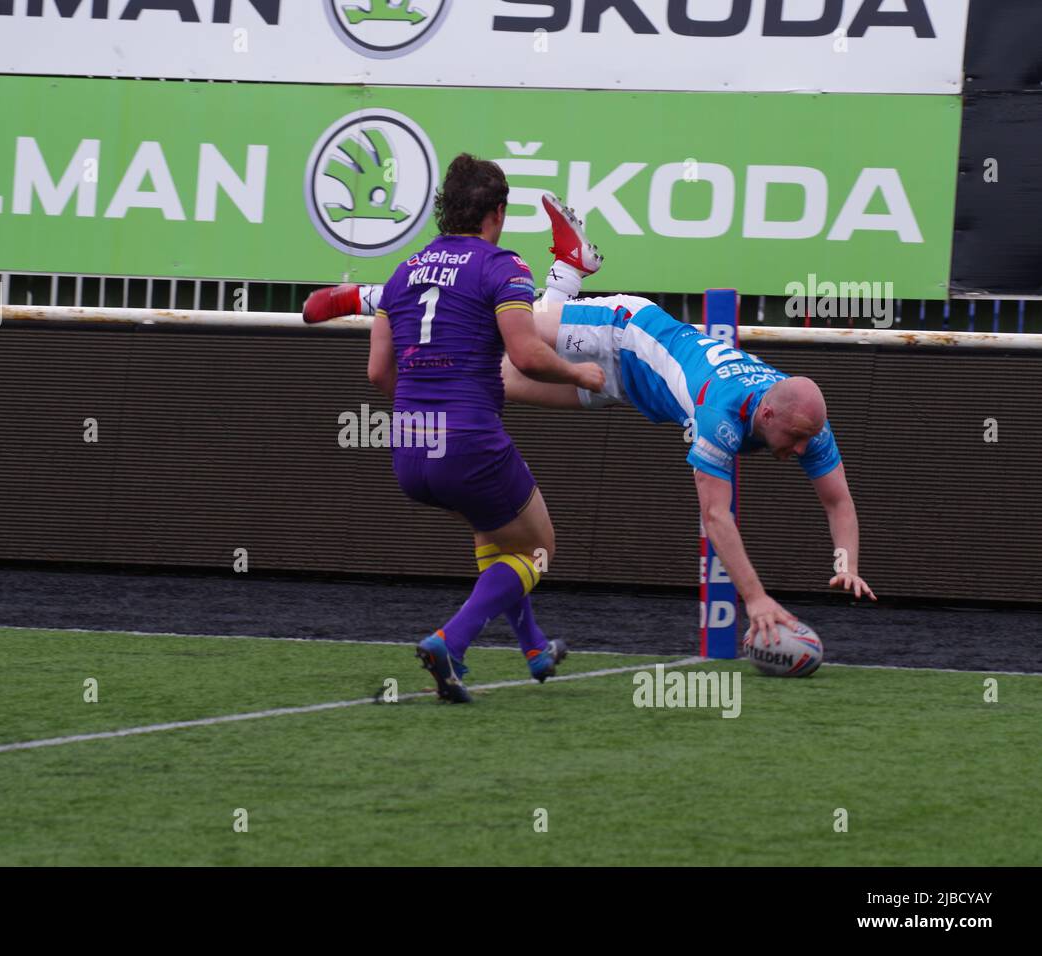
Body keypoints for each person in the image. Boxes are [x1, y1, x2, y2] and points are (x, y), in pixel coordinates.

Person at [313, 193, 876, 646]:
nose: (798, 451)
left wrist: (845, 562)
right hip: (622, 329)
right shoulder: (721, 412)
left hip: (627, 386)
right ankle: (369, 295)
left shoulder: (808, 421)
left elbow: (839, 501)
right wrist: (756, 598)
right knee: (503, 325)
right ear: (768, 412)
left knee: (494, 379)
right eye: (793, 440)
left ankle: (570, 266)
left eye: (803, 442)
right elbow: (715, 517)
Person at [366, 156, 605, 703]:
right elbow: (526, 354)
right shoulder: (502, 266)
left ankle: (534, 650)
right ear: (497, 212)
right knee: (539, 549)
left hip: (409, 447)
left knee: (495, 535)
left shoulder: (402, 272)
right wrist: (579, 373)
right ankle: (450, 641)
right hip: (468, 440)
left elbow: (378, 372)